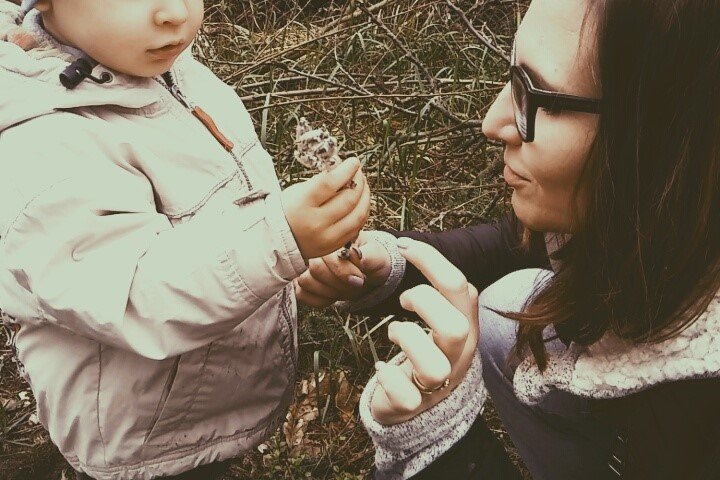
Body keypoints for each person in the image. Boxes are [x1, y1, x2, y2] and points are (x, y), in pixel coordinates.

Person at [295, 0, 720, 478]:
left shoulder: (700, 420)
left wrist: (439, 445)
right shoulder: (665, 214)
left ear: (672, 130)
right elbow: (514, 246)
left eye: (546, 98)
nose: (492, 122)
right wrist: (388, 265)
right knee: (508, 306)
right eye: (514, 77)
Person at [0, 0, 370, 479]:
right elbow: (132, 294)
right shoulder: (42, 142)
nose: (175, 12)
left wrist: (288, 268)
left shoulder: (165, 70)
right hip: (142, 442)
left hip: (197, 406)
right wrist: (275, 241)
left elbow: (213, 219)